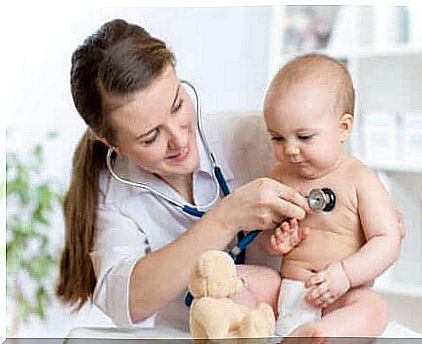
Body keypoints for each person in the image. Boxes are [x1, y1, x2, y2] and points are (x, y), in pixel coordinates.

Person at [55, 19, 313, 331]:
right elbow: (129, 302)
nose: (179, 140)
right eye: (150, 137)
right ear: (112, 144)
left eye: (177, 106)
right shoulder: (113, 195)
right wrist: (225, 218)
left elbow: (344, 194)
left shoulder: (261, 138)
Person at [256, 54, 404, 339]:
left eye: (304, 137)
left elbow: (387, 240)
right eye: (277, 138)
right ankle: (244, 326)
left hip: (342, 295)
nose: (290, 150)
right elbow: (261, 236)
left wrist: (346, 275)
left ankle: (320, 334)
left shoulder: (360, 179)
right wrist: (276, 241)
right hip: (289, 290)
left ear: (343, 128)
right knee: (242, 278)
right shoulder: (278, 177)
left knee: (374, 309)